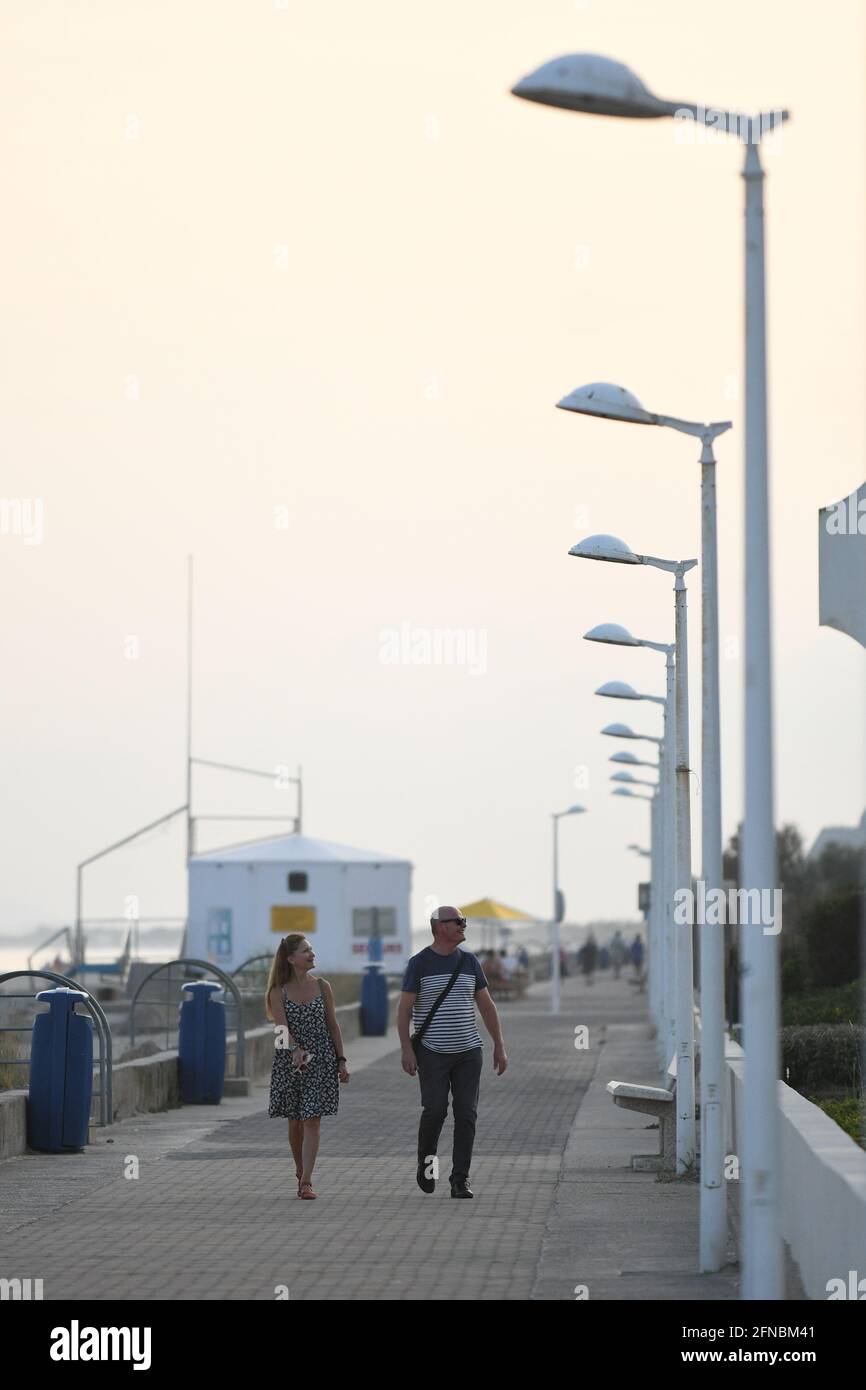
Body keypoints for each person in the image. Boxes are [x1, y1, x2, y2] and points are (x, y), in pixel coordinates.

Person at [398, 906, 508, 1198]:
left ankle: (460, 1179)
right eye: (458, 922)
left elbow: (486, 1006)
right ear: (440, 927)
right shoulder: (419, 964)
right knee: (435, 1110)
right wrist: (407, 1050)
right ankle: (427, 1164)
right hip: (431, 1053)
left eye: (464, 921)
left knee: (466, 1114)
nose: (463, 926)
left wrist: (499, 1044)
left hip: (468, 1052)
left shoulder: (470, 962)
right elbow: (404, 1010)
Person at [266, 934, 349, 1200]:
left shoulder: (323, 987)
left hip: (322, 1059)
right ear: (290, 959)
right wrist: (295, 1050)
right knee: (296, 1121)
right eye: (305, 951)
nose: (312, 954)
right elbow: (280, 1029)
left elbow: (333, 1026)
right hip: (289, 1062)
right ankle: (299, 1169)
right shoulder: (278, 992)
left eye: (312, 949)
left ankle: (306, 1181)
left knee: (312, 1119)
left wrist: (341, 1060)